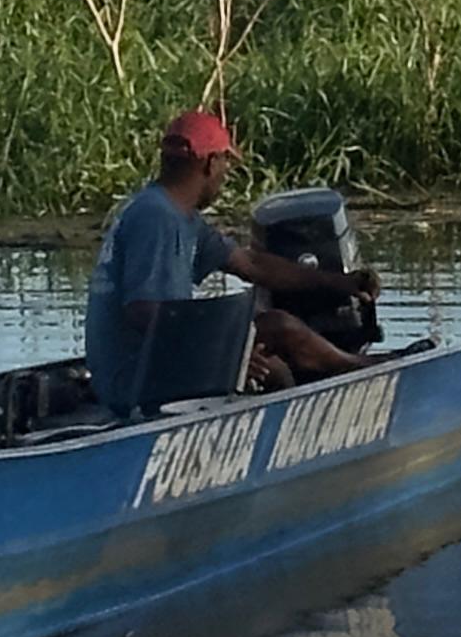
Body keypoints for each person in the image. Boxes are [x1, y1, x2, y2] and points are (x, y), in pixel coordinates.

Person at [84, 110, 378, 414]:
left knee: (277, 327)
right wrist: (220, 353)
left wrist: (339, 282)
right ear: (210, 163)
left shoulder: (176, 215)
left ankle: (354, 371)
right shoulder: (159, 219)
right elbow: (143, 311)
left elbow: (251, 264)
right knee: (275, 363)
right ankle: (365, 376)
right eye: (225, 162)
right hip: (136, 381)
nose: (225, 173)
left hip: (154, 362)